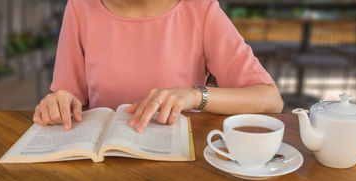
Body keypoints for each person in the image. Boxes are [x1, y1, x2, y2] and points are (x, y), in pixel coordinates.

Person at [33, 0, 283, 133]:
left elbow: (270, 98)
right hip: (101, 166)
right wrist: (58, 102)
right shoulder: (80, 7)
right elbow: (69, 96)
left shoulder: (201, 9)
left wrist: (196, 95)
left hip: (179, 165)